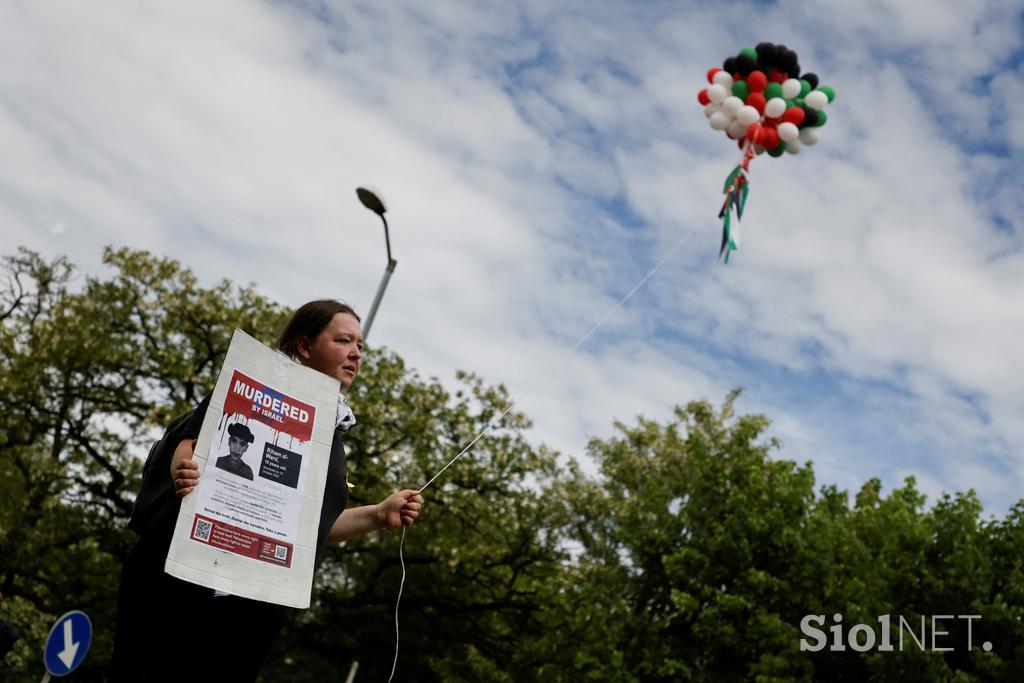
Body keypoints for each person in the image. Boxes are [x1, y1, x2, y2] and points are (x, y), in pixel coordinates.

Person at [110, 300, 422, 682]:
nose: (356, 353)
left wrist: (377, 514)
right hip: (174, 583)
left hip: (251, 611)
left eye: (360, 345)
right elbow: (189, 443)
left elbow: (311, 528)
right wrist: (184, 470)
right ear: (304, 346)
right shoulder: (250, 384)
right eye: (344, 340)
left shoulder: (332, 434)